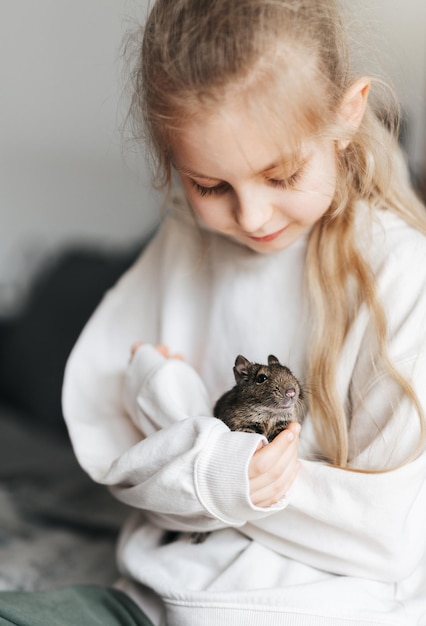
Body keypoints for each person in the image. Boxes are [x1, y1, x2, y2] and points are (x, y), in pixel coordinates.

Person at [1, 0, 426, 624]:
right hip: (150, 601)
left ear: (348, 111)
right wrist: (208, 464)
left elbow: (388, 533)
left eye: (280, 175)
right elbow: (121, 468)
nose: (250, 218)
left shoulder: (400, 274)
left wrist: (190, 444)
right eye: (209, 185)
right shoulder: (188, 239)